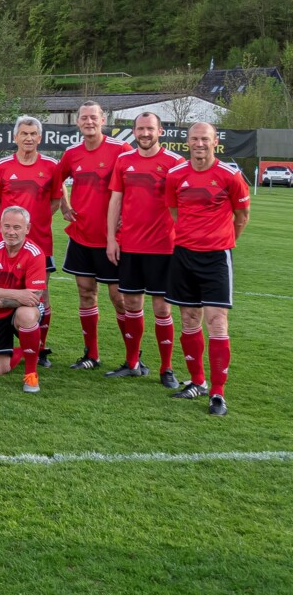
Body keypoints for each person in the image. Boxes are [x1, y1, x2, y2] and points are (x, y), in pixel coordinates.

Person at [164, 122, 250, 416]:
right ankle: (197, 382)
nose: (199, 144)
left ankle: (218, 393)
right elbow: (175, 212)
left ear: (216, 142)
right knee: (189, 318)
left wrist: (223, 241)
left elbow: (242, 215)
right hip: (184, 254)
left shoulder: (230, 175)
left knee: (216, 321)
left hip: (216, 257)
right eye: (194, 139)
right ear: (187, 143)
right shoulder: (176, 175)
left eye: (205, 139)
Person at [106, 112, 184, 386]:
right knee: (131, 304)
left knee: (162, 308)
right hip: (130, 245)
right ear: (134, 131)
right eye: (140, 128)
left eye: (150, 128)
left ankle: (166, 369)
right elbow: (115, 200)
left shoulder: (175, 163)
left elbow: (182, 205)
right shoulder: (123, 161)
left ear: (160, 131)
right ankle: (132, 363)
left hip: (164, 247)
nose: (145, 133)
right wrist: (111, 239)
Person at [57, 101, 134, 370]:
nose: (89, 122)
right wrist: (65, 205)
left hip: (113, 238)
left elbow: (134, 180)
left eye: (94, 117)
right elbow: (56, 180)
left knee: (119, 298)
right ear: (77, 122)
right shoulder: (71, 153)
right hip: (81, 235)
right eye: (84, 118)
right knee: (86, 292)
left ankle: (132, 359)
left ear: (103, 120)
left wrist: (129, 212)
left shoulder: (120, 149)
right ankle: (92, 355)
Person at [0, 115, 61, 366]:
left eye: (33, 134)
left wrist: (35, 224)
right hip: (6, 245)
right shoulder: (1, 166)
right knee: (2, 291)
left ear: (40, 138)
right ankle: (0, 340)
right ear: (15, 137)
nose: (29, 138)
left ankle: (39, 348)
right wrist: (12, 228)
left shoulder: (52, 166)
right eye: (24, 133)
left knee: (42, 296)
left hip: (41, 242)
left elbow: (56, 200)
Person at [0, 206, 49, 393]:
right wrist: (18, 294)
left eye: (17, 227)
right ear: (0, 226)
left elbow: (33, 298)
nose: (11, 232)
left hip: (21, 310)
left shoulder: (35, 254)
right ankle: (23, 351)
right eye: (7, 226)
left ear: (27, 228)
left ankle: (31, 375)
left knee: (26, 314)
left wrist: (1, 300)